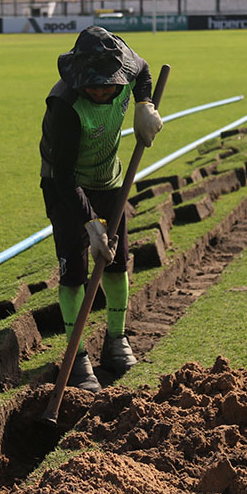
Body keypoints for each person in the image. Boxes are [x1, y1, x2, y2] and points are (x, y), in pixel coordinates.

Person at [39, 26, 163, 392]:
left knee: (116, 261)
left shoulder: (127, 72)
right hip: (66, 186)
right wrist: (91, 225)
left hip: (110, 180)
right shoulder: (64, 106)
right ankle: (76, 357)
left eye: (107, 84)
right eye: (93, 85)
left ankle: (116, 339)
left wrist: (144, 105)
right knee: (74, 270)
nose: (101, 90)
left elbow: (144, 69)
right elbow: (63, 176)